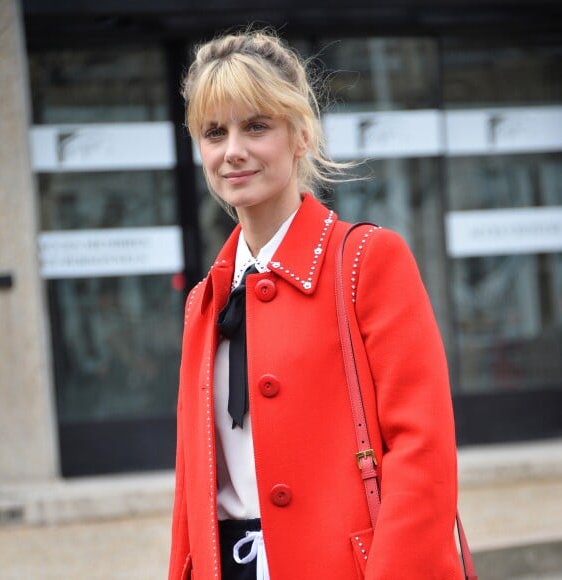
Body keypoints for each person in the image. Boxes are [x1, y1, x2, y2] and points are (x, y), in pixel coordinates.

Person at [168, 28, 464, 580]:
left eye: (257, 126)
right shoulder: (205, 300)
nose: (234, 151)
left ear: (300, 135)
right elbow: (193, 490)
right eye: (215, 132)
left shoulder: (368, 261)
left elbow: (422, 453)